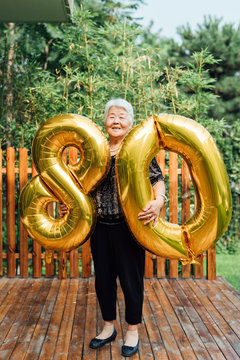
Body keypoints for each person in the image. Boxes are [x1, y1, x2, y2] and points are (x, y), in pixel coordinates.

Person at [61, 99, 166, 357]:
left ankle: (132, 329)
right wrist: (69, 206)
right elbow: (78, 188)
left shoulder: (136, 149)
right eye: (111, 116)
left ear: (130, 123)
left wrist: (159, 201)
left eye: (121, 117)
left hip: (129, 227)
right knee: (103, 280)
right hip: (99, 227)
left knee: (131, 281)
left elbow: (158, 179)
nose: (116, 121)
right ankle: (108, 327)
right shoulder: (95, 151)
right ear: (105, 121)